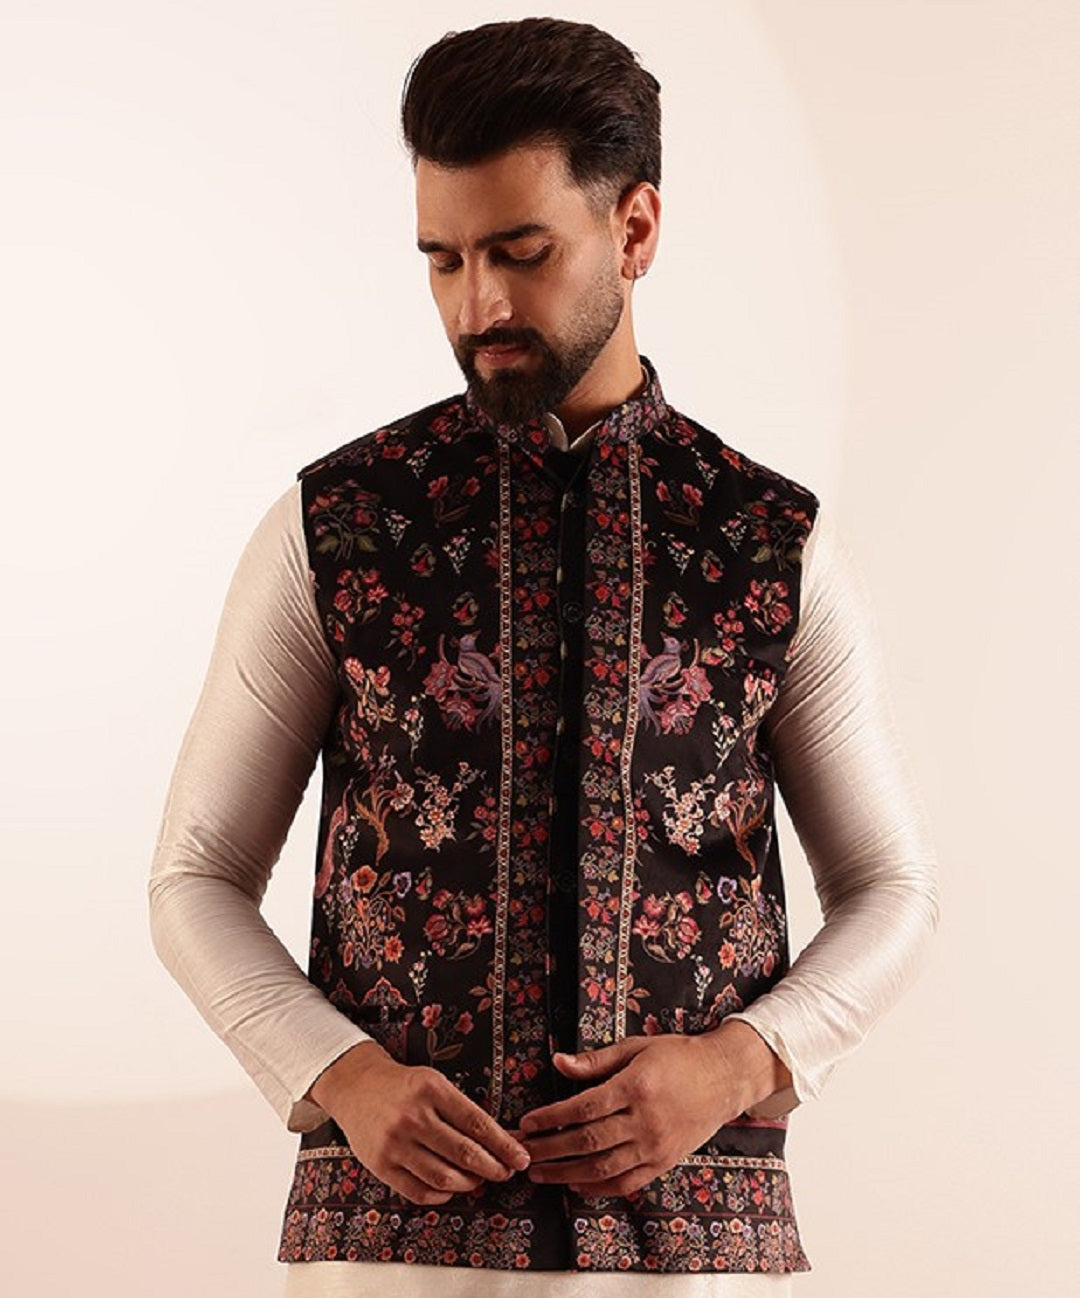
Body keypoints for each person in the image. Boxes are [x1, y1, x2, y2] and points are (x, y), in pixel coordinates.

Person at [149, 16, 939, 1296]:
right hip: (392, 1252)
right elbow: (196, 874)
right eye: (445, 259)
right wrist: (341, 1074)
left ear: (635, 229)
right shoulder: (336, 526)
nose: (481, 306)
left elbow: (892, 887)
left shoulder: (768, 541)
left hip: (694, 1251)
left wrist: (735, 1063)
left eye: (522, 253)